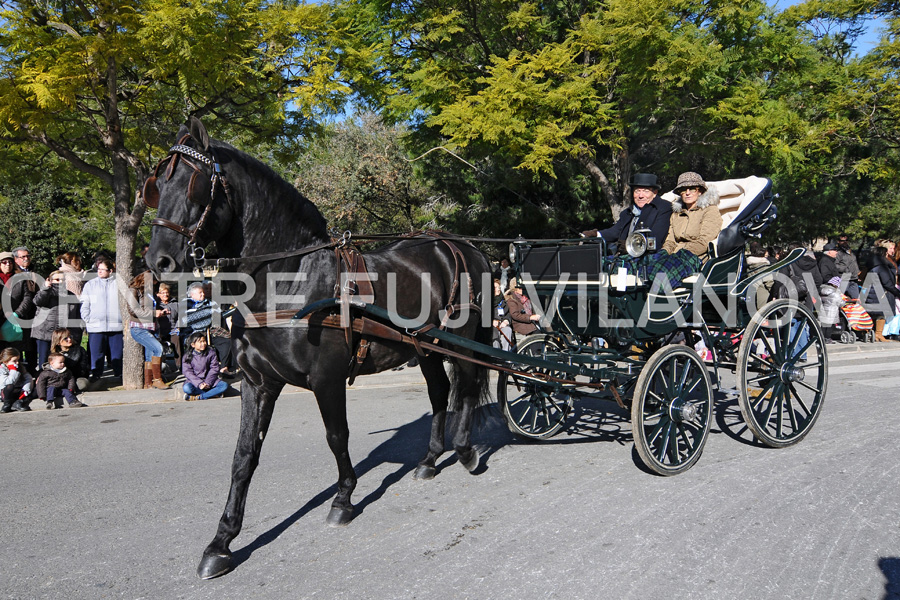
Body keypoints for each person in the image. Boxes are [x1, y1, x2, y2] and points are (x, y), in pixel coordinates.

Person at [582, 173, 672, 254]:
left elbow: (656, 238)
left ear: (654, 193)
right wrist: (595, 234)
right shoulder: (627, 212)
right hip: (624, 256)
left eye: (645, 191)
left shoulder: (663, 208)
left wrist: (630, 245)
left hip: (649, 257)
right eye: (637, 191)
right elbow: (615, 232)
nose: (641, 196)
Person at [662, 172, 723, 263]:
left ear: (700, 191)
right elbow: (670, 241)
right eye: (683, 190)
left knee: (663, 272)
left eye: (692, 189)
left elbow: (704, 242)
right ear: (679, 193)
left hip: (696, 258)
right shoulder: (676, 214)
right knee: (647, 267)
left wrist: (680, 254)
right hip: (674, 256)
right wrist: (663, 253)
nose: (687, 193)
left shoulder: (710, 210)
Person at [80, 257, 123, 381]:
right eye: (98, 269)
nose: (99, 271)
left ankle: (119, 373)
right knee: (96, 353)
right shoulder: (90, 284)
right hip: (96, 326)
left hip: (116, 325)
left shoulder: (119, 284)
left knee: (117, 353)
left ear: (110, 271)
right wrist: (87, 318)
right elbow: (85, 303)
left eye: (103, 269)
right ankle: (96, 374)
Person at [32, 270, 83, 369]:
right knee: (44, 361)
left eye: (63, 280)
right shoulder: (46, 292)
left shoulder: (71, 295)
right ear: (50, 280)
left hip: (63, 335)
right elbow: (38, 301)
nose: (60, 282)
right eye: (57, 279)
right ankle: (43, 380)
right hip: (45, 334)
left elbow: (76, 316)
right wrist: (45, 288)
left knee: (62, 361)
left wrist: (76, 335)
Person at [126, 272, 168, 389]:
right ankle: (157, 380)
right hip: (139, 328)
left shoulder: (149, 292)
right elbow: (133, 310)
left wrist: (161, 312)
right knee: (158, 349)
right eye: (154, 281)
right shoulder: (133, 290)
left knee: (150, 356)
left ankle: (148, 383)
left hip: (152, 328)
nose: (155, 284)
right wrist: (155, 313)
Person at [182, 281, 233, 375]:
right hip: (193, 333)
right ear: (192, 295)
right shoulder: (186, 304)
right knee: (199, 344)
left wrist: (232, 310)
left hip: (209, 332)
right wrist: (208, 314)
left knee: (226, 341)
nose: (203, 294)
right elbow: (189, 321)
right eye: (200, 292)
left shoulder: (210, 303)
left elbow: (219, 314)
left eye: (203, 292)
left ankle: (224, 368)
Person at [0, 251, 38, 366]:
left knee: (15, 351)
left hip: (16, 319)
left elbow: (27, 298)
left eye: (10, 262)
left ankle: (17, 374)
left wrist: (17, 314)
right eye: (4, 262)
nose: (7, 264)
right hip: (0, 318)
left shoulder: (20, 278)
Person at [863, 246, 900, 342]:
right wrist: (897, 292)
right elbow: (887, 283)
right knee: (881, 314)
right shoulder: (881, 267)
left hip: (871, 293)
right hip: (882, 293)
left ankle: (870, 333)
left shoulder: (871, 265)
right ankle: (878, 334)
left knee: (872, 314)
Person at [182, 331, 229, 401]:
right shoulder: (188, 356)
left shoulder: (211, 352)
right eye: (200, 342)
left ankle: (199, 397)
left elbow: (214, 368)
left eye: (204, 341)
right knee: (187, 388)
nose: (203, 344)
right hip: (195, 382)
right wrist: (199, 383)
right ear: (193, 345)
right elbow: (187, 372)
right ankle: (213, 394)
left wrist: (207, 383)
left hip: (210, 381)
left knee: (224, 386)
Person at [817, 242, 843, 343]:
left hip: (831, 289)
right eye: (834, 250)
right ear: (829, 252)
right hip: (828, 290)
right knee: (828, 314)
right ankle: (824, 337)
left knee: (831, 314)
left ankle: (827, 336)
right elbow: (825, 276)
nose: (836, 252)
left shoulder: (829, 261)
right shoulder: (825, 261)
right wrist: (835, 282)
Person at [52, 327, 91, 392]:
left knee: (82, 384)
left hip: (76, 377)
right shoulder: (53, 353)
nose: (69, 339)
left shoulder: (79, 350)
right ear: (58, 341)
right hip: (58, 378)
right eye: (65, 338)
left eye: (70, 337)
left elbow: (83, 369)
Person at [504, 277, 540, 342]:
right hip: (521, 325)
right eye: (520, 287)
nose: (522, 289)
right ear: (515, 288)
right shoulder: (512, 300)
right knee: (536, 335)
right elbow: (515, 315)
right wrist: (530, 317)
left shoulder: (526, 297)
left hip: (531, 324)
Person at [155, 282, 181, 368]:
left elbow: (180, 317)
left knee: (177, 339)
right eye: (163, 292)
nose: (165, 294)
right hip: (160, 331)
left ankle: (179, 365)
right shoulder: (156, 305)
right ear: (158, 294)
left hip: (172, 330)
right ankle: (160, 366)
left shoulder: (175, 304)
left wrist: (178, 327)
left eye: (167, 292)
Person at [0, 347, 33, 413]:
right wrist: (13, 371)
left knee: (36, 389)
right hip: (6, 392)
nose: (17, 363)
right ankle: (7, 404)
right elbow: (8, 382)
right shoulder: (2, 369)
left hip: (19, 390)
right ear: (5, 361)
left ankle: (18, 403)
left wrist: (25, 390)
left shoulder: (20, 367)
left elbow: (28, 378)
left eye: (18, 360)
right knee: (10, 386)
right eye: (14, 361)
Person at [491, 279, 513, 352]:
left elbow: (507, 314)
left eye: (499, 287)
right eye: (496, 287)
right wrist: (491, 321)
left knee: (508, 330)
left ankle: (506, 354)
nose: (498, 289)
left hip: (501, 323)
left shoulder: (502, 301)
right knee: (494, 333)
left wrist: (506, 321)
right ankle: (496, 354)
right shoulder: (487, 302)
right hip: (492, 325)